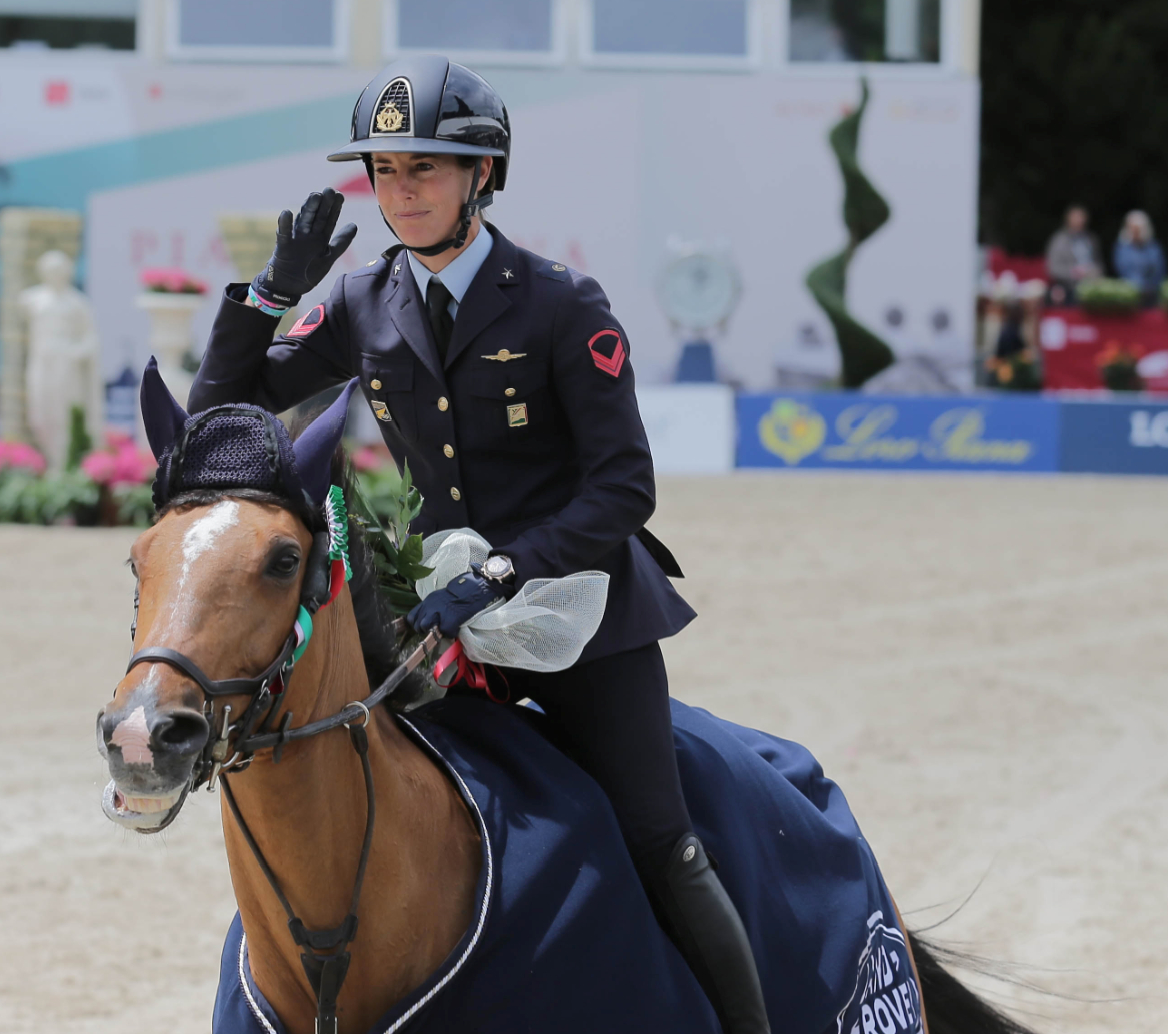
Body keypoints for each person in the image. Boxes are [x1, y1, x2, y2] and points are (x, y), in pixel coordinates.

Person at [188, 57, 771, 1033]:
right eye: (383, 171)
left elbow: (623, 486)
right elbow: (221, 412)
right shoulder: (363, 298)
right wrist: (266, 295)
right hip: (432, 619)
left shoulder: (558, 302)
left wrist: (503, 570)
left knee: (656, 838)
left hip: (574, 613)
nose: (400, 190)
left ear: (480, 177)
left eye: (424, 167)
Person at [1045, 204, 1101, 304]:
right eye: (1076, 217)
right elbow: (1052, 269)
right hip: (1069, 287)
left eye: (1081, 217)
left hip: (1093, 287)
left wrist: (1094, 272)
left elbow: (1099, 264)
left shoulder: (1091, 239)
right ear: (1068, 219)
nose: (1080, 221)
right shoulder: (1059, 240)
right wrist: (1074, 273)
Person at [1112, 210, 1166, 303]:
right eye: (1132, 228)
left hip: (1151, 294)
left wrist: (1149, 286)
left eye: (1138, 229)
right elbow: (1121, 270)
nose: (1135, 232)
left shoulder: (1153, 247)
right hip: (1128, 295)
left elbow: (1159, 270)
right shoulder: (1121, 247)